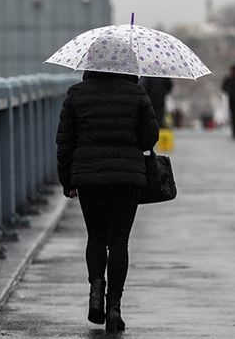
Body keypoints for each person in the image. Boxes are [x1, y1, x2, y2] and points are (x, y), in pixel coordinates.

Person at [56, 71, 159, 331]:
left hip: (89, 177)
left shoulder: (76, 94)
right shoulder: (136, 93)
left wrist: (67, 181)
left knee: (96, 236)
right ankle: (114, 309)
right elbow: (150, 137)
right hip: (127, 177)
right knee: (119, 241)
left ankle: (95, 294)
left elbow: (65, 141)